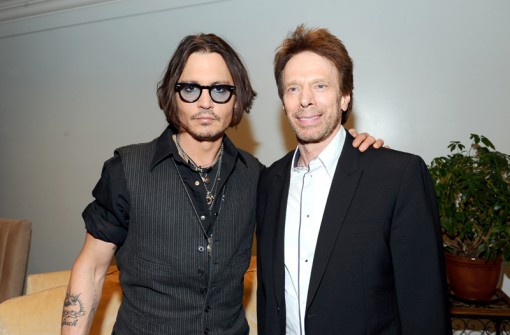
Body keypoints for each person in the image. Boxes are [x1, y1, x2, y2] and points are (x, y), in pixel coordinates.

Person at [61, 33, 382, 335]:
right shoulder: (126, 171)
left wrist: (347, 148)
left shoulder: (261, 178)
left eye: (219, 90)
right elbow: (90, 270)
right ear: (173, 96)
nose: (205, 102)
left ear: (236, 99)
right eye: (190, 89)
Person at [256, 25, 452, 335]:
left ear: (345, 96)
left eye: (320, 86)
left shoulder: (397, 176)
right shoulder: (269, 182)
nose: (305, 100)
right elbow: (269, 298)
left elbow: (424, 307)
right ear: (283, 102)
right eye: (293, 88)